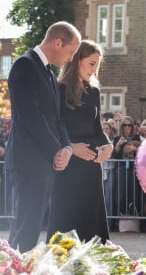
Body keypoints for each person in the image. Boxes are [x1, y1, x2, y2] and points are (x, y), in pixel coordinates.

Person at [5, 21, 81, 252]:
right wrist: (55, 150)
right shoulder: (24, 65)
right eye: (70, 52)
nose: (70, 59)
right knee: (25, 227)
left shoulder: (48, 74)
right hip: (28, 162)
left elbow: (57, 119)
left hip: (44, 163)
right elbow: (30, 115)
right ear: (57, 43)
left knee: (33, 225)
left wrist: (66, 148)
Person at [46, 40, 113, 244]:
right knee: (65, 219)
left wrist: (108, 145)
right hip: (68, 164)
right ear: (77, 60)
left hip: (91, 166)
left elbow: (97, 128)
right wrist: (71, 147)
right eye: (91, 63)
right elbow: (53, 125)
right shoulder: (57, 89)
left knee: (91, 221)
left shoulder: (94, 92)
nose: (94, 70)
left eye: (97, 65)